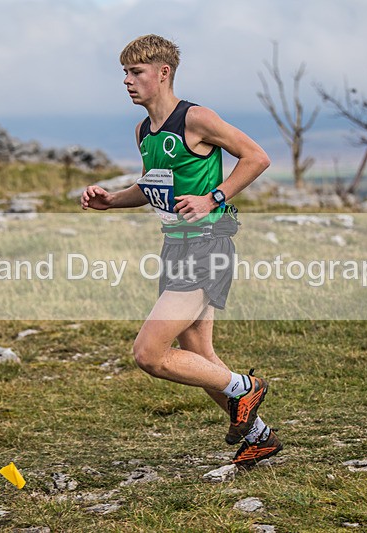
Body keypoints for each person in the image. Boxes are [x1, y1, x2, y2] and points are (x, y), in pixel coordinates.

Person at [81, 34, 281, 467]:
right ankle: (260, 438)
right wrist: (112, 199)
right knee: (200, 358)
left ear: (163, 72)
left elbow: (256, 157)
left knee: (149, 354)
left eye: (136, 73)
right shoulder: (144, 130)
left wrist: (215, 197)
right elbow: (151, 185)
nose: (127, 82)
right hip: (174, 247)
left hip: (208, 246)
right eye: (125, 74)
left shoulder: (196, 118)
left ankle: (246, 387)